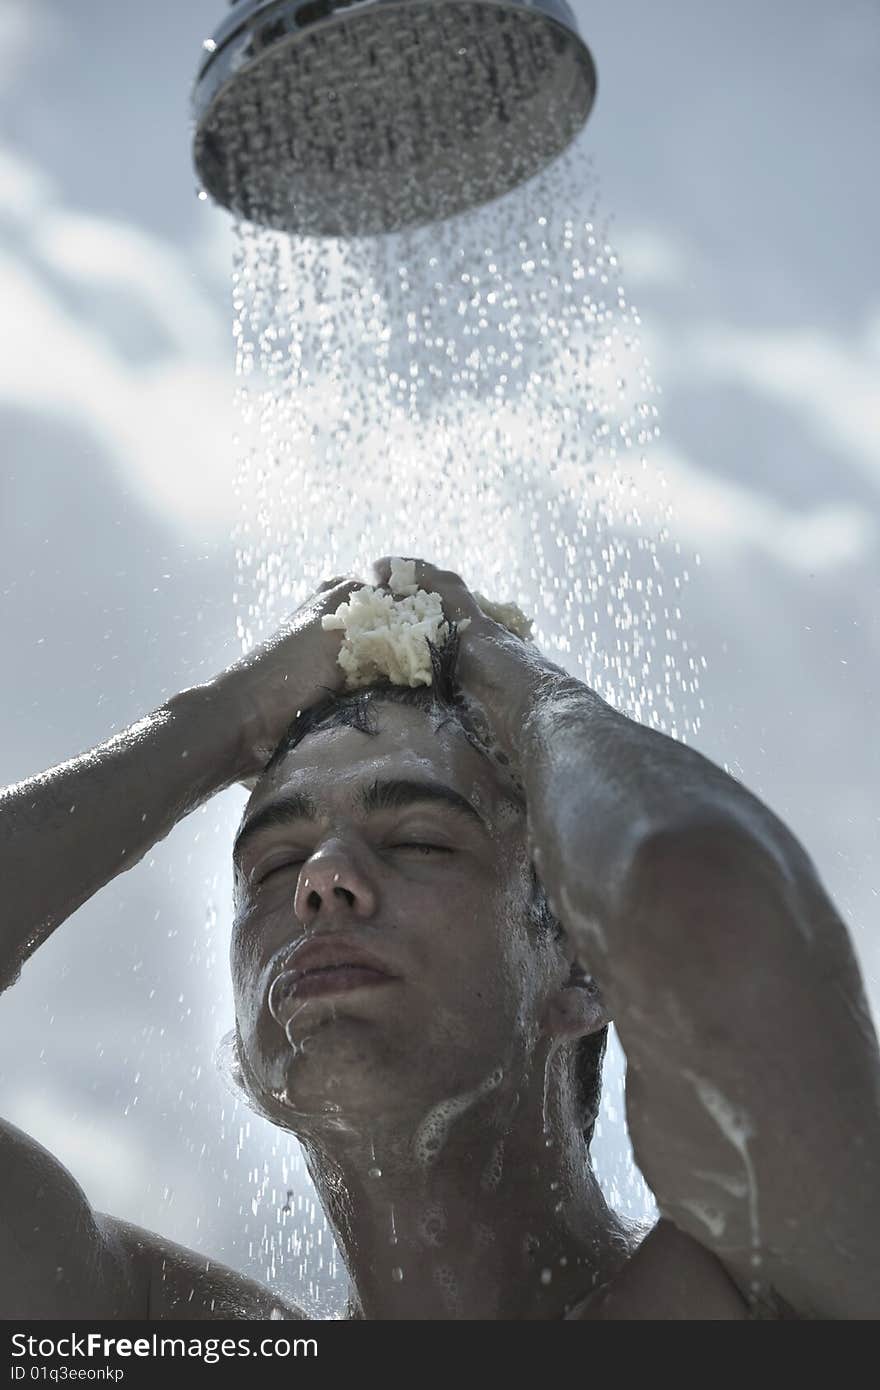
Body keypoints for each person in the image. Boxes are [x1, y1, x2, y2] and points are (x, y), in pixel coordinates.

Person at [1, 556, 877, 1320]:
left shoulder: (760, 1295)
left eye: (419, 840)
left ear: (580, 963)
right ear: (237, 1040)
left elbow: (712, 911)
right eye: (272, 865)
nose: (321, 879)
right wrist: (220, 720)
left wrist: (524, 688)